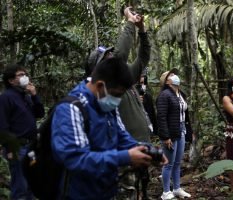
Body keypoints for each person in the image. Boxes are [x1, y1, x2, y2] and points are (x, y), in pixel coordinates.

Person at [51, 58, 166, 199]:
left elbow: (121, 135)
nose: (117, 100)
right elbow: (76, 159)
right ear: (100, 86)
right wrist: (125, 157)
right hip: (78, 193)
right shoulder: (71, 109)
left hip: (105, 189)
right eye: (117, 94)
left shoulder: (106, 104)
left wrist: (145, 150)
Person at [0, 64, 45, 200]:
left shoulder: (26, 96)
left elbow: (40, 113)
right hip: (17, 148)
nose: (24, 77)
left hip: (31, 146)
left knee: (31, 184)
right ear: (11, 80)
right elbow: (2, 125)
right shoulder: (5, 98)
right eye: (20, 75)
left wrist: (34, 95)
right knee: (21, 186)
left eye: (25, 74)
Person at [157, 69, 192, 200]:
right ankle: (166, 192)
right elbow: (161, 117)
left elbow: (185, 115)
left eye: (174, 74)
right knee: (169, 163)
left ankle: (176, 188)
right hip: (170, 133)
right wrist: (165, 137)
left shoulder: (180, 94)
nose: (175, 76)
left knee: (177, 162)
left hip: (181, 130)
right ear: (167, 82)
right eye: (171, 75)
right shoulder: (165, 95)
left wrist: (190, 131)